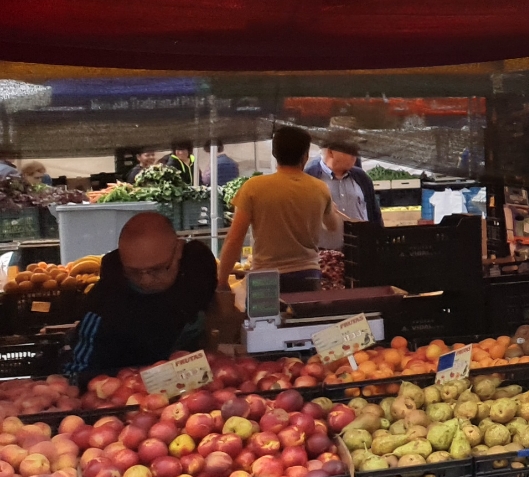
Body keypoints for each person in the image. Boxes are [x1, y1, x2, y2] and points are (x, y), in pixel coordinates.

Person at [64, 212, 221, 382]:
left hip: (198, 390)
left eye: (157, 270)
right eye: (134, 272)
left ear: (178, 251)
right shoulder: (105, 305)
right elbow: (75, 374)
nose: (145, 280)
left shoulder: (198, 271)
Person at [217, 126, 341, 280]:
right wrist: (333, 211)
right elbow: (333, 226)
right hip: (308, 275)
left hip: (266, 277)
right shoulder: (320, 188)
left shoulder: (253, 187)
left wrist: (222, 281)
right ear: (305, 156)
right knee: (304, 305)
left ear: (275, 154)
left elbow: (234, 238)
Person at [306, 132, 384, 250]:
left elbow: (375, 216)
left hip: (361, 253)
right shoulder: (310, 177)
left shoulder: (362, 178)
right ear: (331, 152)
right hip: (324, 258)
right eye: (349, 149)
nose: (355, 154)